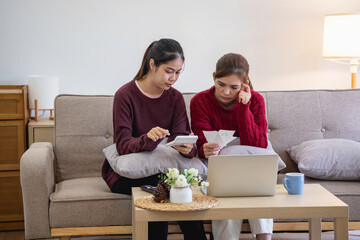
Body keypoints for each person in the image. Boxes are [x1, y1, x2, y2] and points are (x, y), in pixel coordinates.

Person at [102, 38, 207, 240]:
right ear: (152, 64)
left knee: (176, 184)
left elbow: (183, 136)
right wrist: (148, 139)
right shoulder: (125, 95)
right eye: (169, 71)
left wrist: (188, 149)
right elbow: (122, 145)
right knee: (170, 185)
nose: (174, 78)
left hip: (165, 172)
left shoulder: (175, 98)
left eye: (178, 72)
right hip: (126, 176)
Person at [190, 53, 272, 240]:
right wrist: (204, 149)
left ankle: (264, 237)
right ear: (214, 78)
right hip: (221, 161)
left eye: (234, 87)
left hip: (253, 157)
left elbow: (258, 145)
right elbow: (201, 143)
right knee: (226, 188)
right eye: (221, 84)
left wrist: (244, 106)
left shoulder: (256, 100)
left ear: (245, 84)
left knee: (257, 183)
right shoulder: (200, 101)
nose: (226, 92)